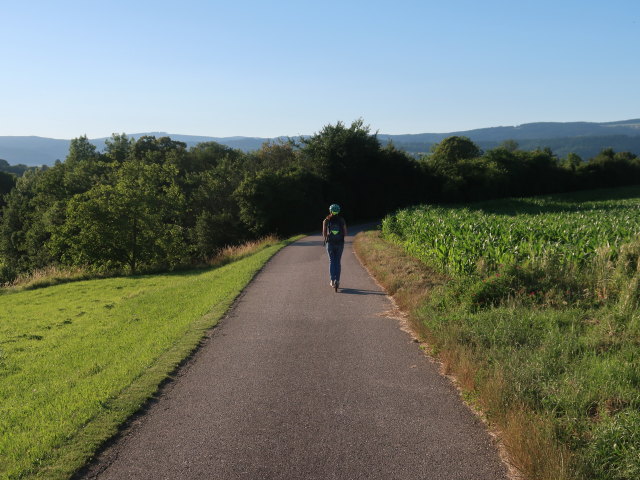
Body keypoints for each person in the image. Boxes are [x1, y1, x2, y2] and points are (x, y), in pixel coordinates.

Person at [322, 204, 347, 291]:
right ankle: (338, 281)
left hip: (330, 243)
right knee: (338, 261)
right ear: (338, 211)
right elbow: (345, 233)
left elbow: (324, 233)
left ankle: (332, 281)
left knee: (332, 261)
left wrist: (326, 239)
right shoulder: (341, 220)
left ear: (330, 211)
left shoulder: (326, 220)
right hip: (340, 243)